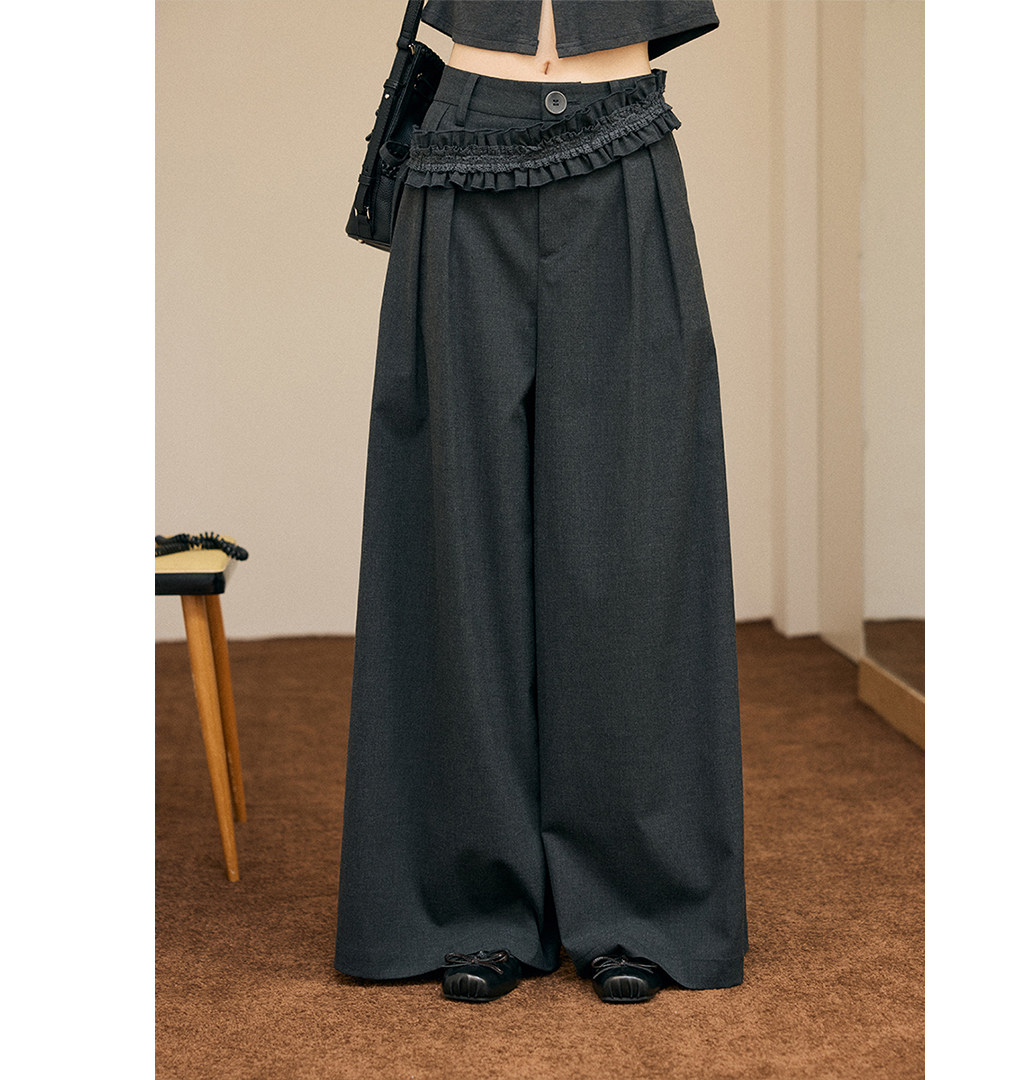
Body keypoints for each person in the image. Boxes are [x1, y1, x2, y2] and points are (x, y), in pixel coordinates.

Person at [335, 0, 747, 1005]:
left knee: (634, 539)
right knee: (456, 536)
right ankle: (468, 904)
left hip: (622, 139)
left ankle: (640, 903)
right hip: (462, 145)